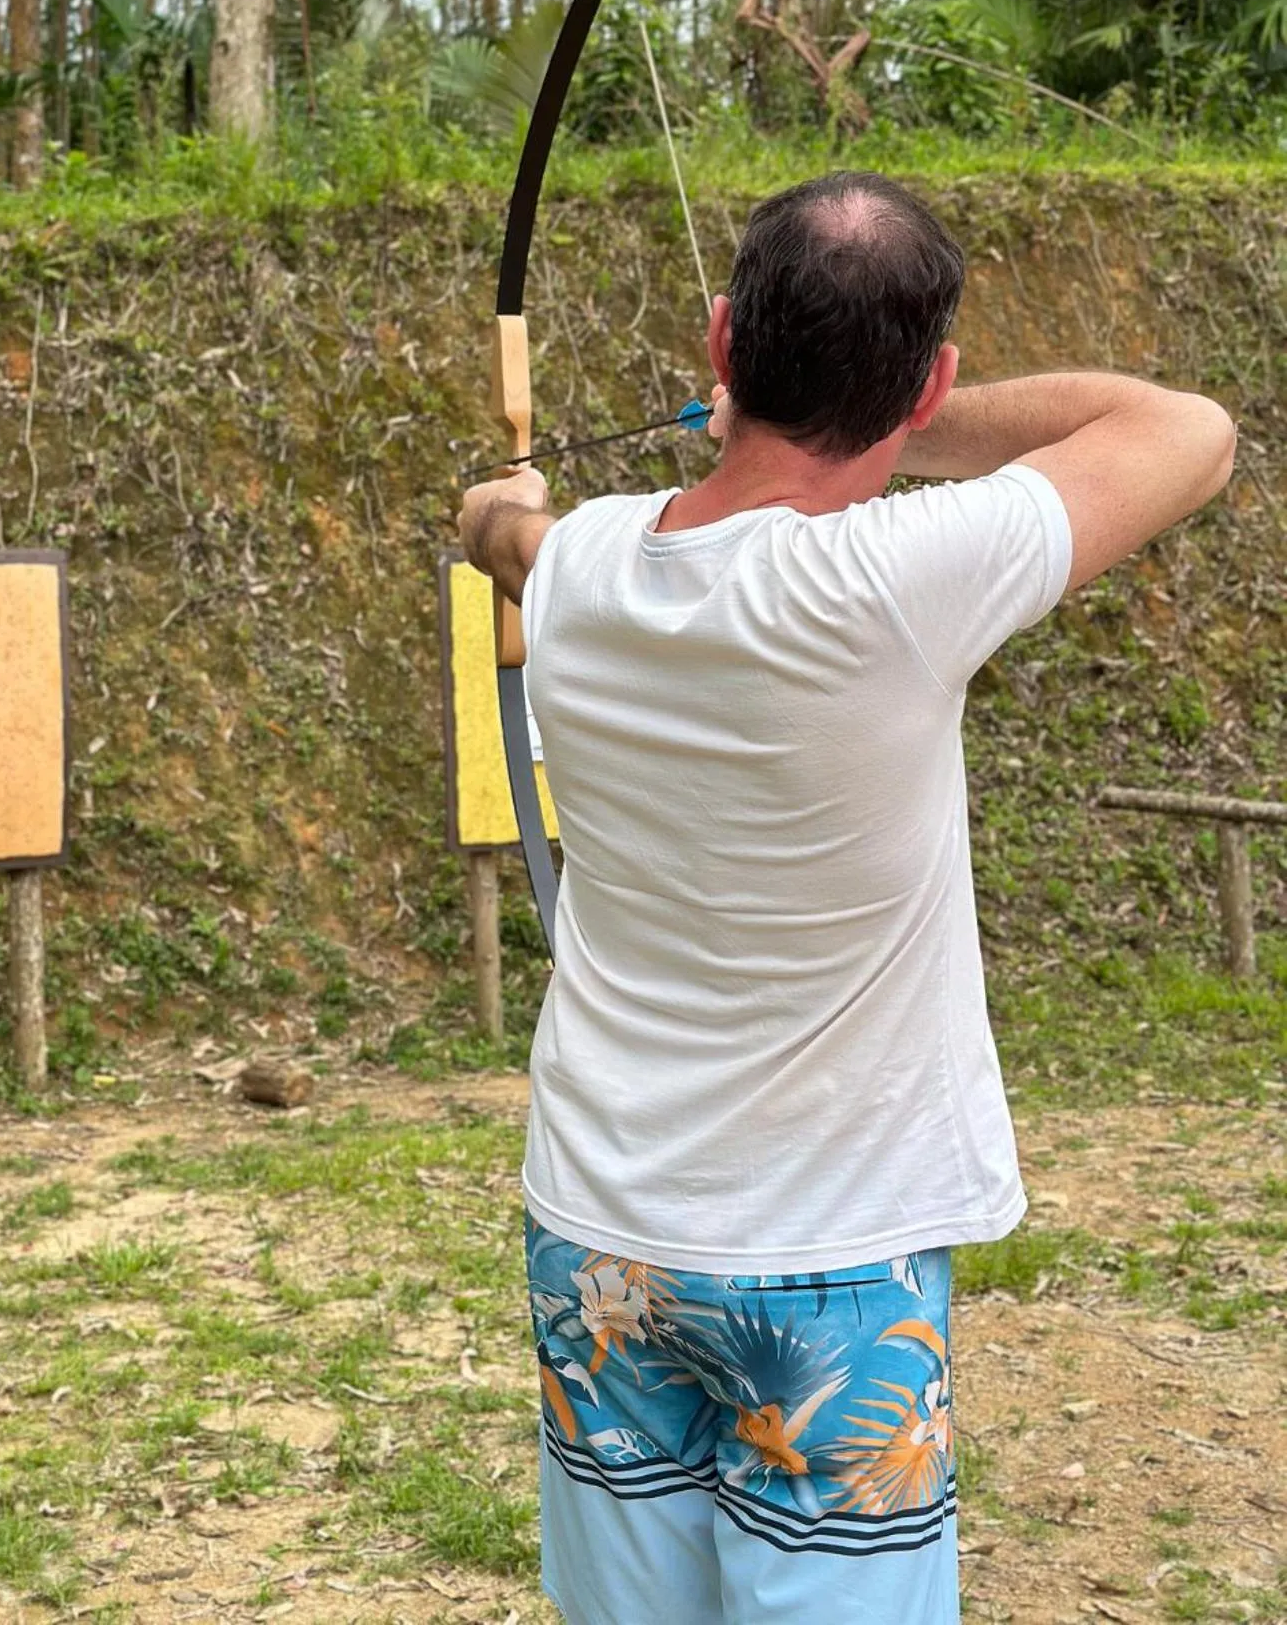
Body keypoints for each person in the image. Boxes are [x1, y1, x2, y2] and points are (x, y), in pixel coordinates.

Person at [457, 172, 1235, 1625]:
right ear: (924, 378)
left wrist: (491, 509)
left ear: (718, 343)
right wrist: (908, 413)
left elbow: (509, 536)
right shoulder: (899, 577)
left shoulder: (585, 565)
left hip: (599, 1238)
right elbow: (1190, 433)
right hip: (827, 1261)